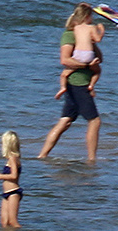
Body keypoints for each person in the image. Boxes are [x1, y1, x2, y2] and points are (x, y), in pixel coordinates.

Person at [38, 20, 101, 161]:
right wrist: (86, 65)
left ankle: (42, 155)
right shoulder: (69, 35)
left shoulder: (87, 39)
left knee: (65, 121)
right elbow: (65, 60)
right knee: (94, 120)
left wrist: (93, 45)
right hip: (77, 83)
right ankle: (92, 159)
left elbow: (99, 58)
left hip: (79, 82)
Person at [56, 4, 103, 98]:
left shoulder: (76, 29)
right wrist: (101, 30)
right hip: (87, 59)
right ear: (87, 17)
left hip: (78, 55)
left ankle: (62, 87)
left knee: (64, 74)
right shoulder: (90, 28)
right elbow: (64, 60)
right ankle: (92, 86)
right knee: (97, 72)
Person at [0, 131, 23, 228]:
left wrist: (0, 176)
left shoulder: (13, 159)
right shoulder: (10, 159)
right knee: (4, 222)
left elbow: (14, 176)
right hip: (6, 192)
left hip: (13, 192)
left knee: (13, 222)